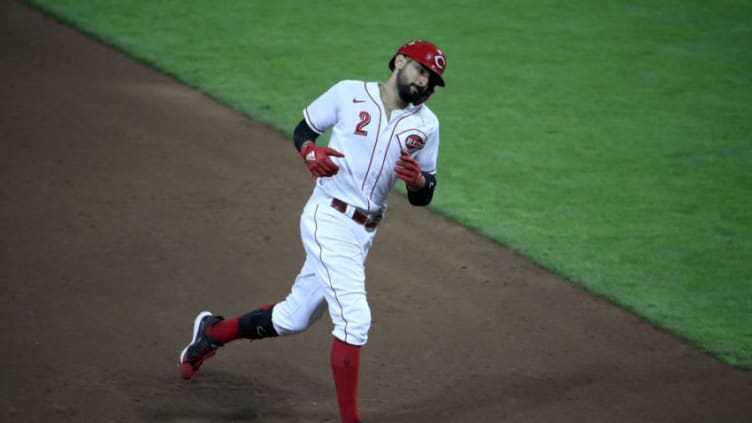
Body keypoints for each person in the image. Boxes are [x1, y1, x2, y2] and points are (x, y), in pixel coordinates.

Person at [178, 39, 447, 423]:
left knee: (294, 317)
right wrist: (310, 153)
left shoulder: (427, 126)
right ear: (400, 61)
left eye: (433, 80)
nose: (425, 83)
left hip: (363, 233)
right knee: (355, 319)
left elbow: (425, 195)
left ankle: (212, 333)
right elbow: (304, 129)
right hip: (328, 218)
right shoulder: (349, 93)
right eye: (421, 71)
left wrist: (419, 182)